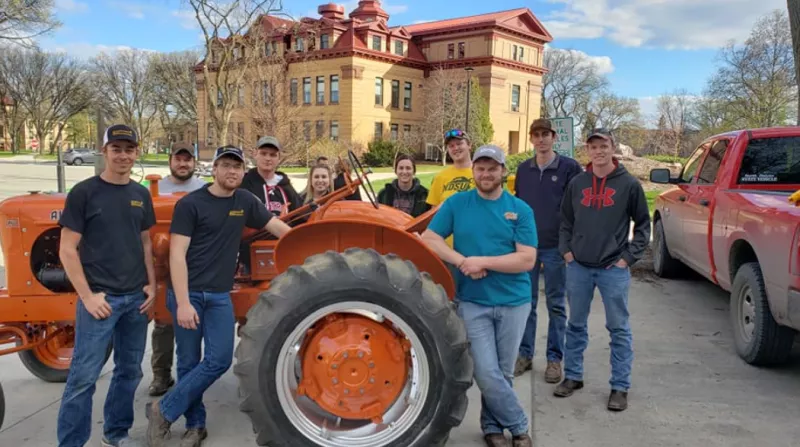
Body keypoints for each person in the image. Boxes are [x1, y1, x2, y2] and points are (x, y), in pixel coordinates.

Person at [145, 145, 292, 447]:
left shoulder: (245, 201)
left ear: (242, 171)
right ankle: (195, 426)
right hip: (188, 294)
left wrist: (308, 243)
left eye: (237, 167)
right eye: (225, 165)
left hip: (218, 296)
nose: (231, 171)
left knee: (220, 359)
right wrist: (183, 303)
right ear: (213, 170)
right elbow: (176, 254)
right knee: (188, 362)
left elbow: (276, 226)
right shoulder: (191, 204)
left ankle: (163, 409)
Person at [421, 145, 537, 447]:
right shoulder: (457, 204)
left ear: (503, 171)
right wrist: (461, 261)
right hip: (473, 301)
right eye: (481, 168)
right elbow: (429, 238)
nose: (486, 174)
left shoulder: (520, 210)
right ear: (473, 170)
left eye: (492, 168)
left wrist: (481, 262)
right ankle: (520, 425)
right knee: (485, 371)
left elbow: (526, 260)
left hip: (514, 302)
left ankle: (492, 428)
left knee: (503, 372)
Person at [55, 124, 156, 447]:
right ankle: (71, 442)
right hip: (100, 301)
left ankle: (115, 434)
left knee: (130, 372)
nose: (123, 155)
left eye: (129, 149)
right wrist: (87, 297)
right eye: (116, 149)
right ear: (105, 151)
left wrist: (152, 286)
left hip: (135, 302)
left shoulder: (140, 194)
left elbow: (146, 244)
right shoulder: (84, 193)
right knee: (83, 379)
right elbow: (67, 249)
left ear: (136, 152)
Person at [554, 128, 651, 412]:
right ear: (587, 150)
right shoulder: (578, 183)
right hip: (579, 267)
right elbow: (565, 222)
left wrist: (627, 258)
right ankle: (573, 376)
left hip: (613, 268)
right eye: (593, 146)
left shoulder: (629, 185)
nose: (598, 151)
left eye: (603, 146)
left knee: (618, 328)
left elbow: (643, 226)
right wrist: (567, 252)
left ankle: (620, 386)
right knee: (575, 324)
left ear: (612, 148)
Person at [513, 118, 583, 382]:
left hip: (556, 247)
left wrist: (570, 245)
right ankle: (525, 354)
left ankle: (555, 359)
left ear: (554, 137)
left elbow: (576, 209)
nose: (541, 139)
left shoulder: (569, 168)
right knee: (526, 304)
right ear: (531, 139)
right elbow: (518, 207)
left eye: (546, 134)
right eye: (536, 135)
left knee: (556, 305)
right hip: (527, 247)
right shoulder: (523, 170)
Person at [149, 144, 207, 397]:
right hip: (162, 261)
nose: (183, 164)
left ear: (194, 163)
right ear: (170, 161)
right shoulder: (155, 188)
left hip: (196, 262)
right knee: (163, 322)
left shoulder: (203, 188)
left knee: (194, 322)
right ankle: (161, 375)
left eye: (187, 160)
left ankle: (193, 376)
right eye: (178, 159)